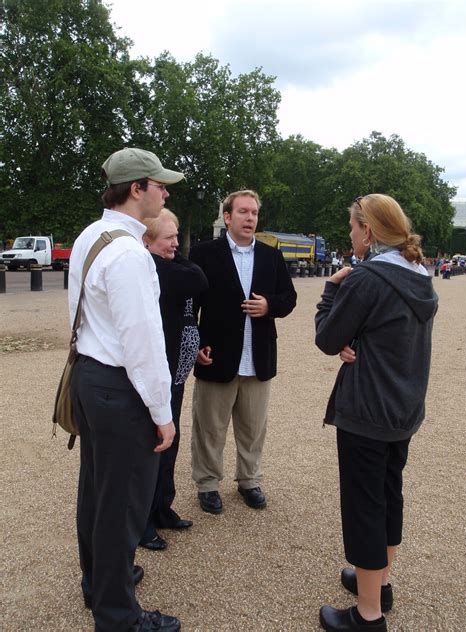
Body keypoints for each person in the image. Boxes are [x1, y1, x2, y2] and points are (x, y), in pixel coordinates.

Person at [69, 148, 184, 632]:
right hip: (120, 387)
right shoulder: (130, 254)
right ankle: (118, 616)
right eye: (158, 183)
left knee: (97, 489)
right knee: (122, 503)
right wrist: (163, 410)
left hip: (90, 377)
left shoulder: (90, 236)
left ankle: (101, 581)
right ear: (136, 188)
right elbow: (143, 343)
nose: (165, 190)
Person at [315, 194, 438, 632]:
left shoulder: (368, 278)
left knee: (365, 505)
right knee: (388, 496)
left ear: (367, 231)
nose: (350, 235)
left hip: (367, 408)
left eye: (352, 227)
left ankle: (368, 615)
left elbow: (328, 338)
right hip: (403, 407)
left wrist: (331, 290)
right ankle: (379, 584)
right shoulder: (420, 274)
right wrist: (361, 341)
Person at [189, 189, 297, 514]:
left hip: (258, 356)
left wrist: (269, 306)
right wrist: (193, 345)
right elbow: (189, 306)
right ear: (227, 217)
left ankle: (249, 480)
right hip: (216, 355)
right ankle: (207, 484)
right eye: (243, 212)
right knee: (210, 427)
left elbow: (289, 298)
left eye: (254, 213)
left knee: (253, 428)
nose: (250, 218)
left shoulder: (270, 256)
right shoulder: (204, 254)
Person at [139, 210, 208, 551]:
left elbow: (195, 282)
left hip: (176, 371)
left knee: (171, 442)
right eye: (169, 238)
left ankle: (162, 508)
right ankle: (142, 522)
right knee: (152, 445)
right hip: (158, 370)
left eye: (177, 237)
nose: (176, 244)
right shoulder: (152, 269)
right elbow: (197, 280)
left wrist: (172, 253)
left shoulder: (170, 264)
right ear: (147, 241)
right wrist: (178, 261)